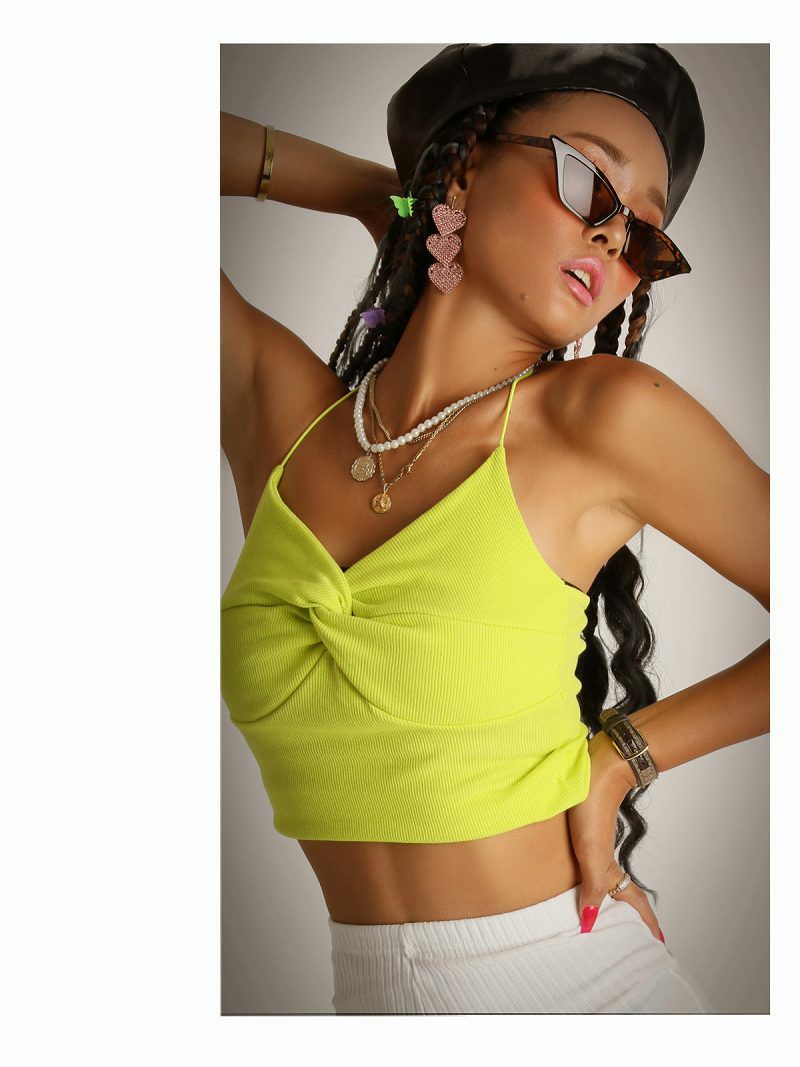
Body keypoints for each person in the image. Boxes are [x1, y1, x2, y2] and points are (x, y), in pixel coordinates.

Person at [220, 44, 769, 1014]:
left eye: (644, 236)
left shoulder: (601, 416)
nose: (613, 236)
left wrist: (620, 756)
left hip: (588, 995)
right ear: (467, 165)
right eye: (587, 178)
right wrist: (388, 195)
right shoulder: (281, 419)